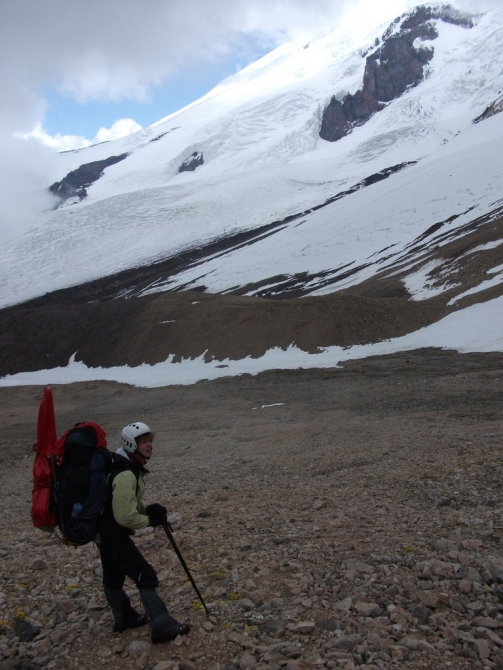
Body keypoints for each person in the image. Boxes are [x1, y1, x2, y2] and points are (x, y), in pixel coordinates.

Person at [97, 421, 190, 643]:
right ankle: (162, 626)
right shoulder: (126, 473)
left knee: (113, 574)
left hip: (104, 534)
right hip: (113, 534)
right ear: (131, 444)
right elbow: (125, 516)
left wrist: (147, 507)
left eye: (150, 440)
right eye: (144, 442)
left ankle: (124, 618)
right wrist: (149, 520)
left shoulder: (125, 465)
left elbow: (128, 501)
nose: (149, 445)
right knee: (144, 575)